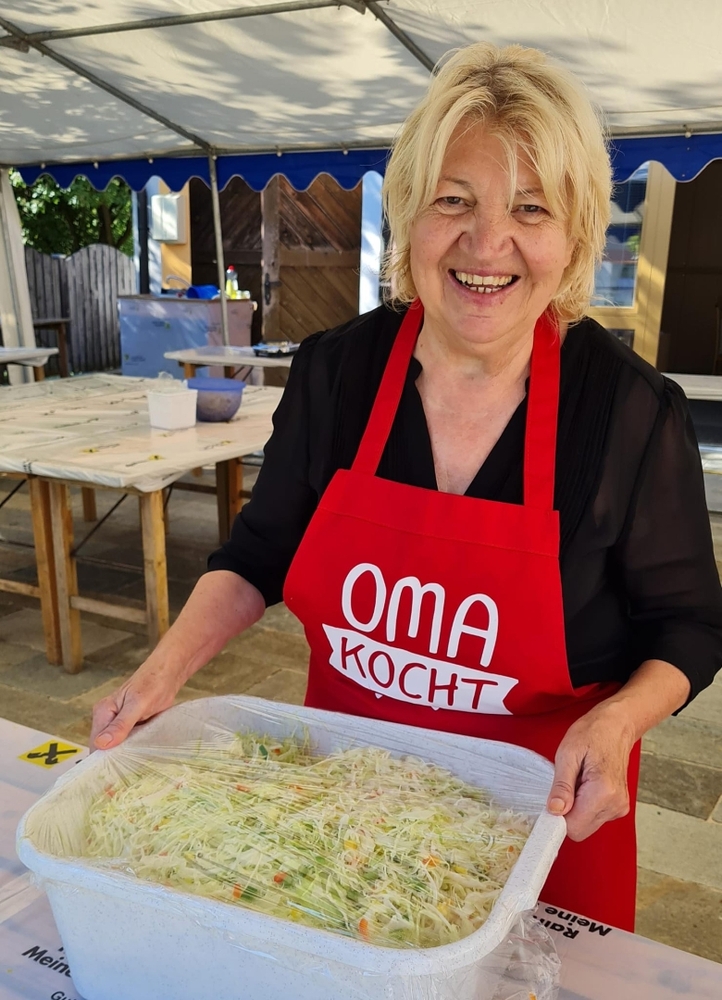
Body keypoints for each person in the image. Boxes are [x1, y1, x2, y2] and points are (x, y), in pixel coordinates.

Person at [91, 43, 722, 930]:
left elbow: (688, 625)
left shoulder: (628, 413)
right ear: (408, 214)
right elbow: (259, 555)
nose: (486, 244)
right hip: (341, 816)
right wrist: (157, 675)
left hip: (538, 824)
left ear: (575, 235)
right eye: (453, 200)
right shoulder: (336, 373)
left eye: (530, 208)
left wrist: (619, 722)